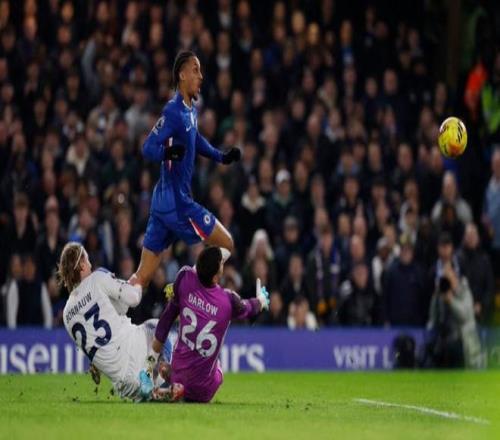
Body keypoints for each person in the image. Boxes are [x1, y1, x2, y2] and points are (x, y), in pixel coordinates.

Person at [130, 51, 241, 289]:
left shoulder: (190, 110)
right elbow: (148, 147)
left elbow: (195, 139)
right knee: (227, 244)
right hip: (177, 202)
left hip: (162, 202)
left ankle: (113, 304)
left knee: (141, 278)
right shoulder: (173, 110)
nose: (201, 76)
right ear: (182, 75)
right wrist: (168, 153)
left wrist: (221, 157)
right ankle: (192, 292)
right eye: (195, 70)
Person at [141, 246, 269, 403]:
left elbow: (165, 321)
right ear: (216, 276)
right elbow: (249, 308)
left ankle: (169, 379)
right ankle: (176, 383)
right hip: (204, 390)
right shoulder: (227, 300)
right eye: (221, 263)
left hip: (179, 374)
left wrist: (149, 364)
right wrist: (261, 300)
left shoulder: (185, 277)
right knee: (218, 369)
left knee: (175, 356)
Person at [58, 242, 182, 402]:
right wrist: (138, 281)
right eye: (87, 261)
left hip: (124, 385)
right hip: (134, 351)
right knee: (157, 326)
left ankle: (155, 391)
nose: (90, 265)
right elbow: (133, 299)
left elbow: (119, 310)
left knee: (151, 390)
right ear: (82, 265)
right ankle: (157, 372)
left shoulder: (67, 314)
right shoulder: (97, 278)